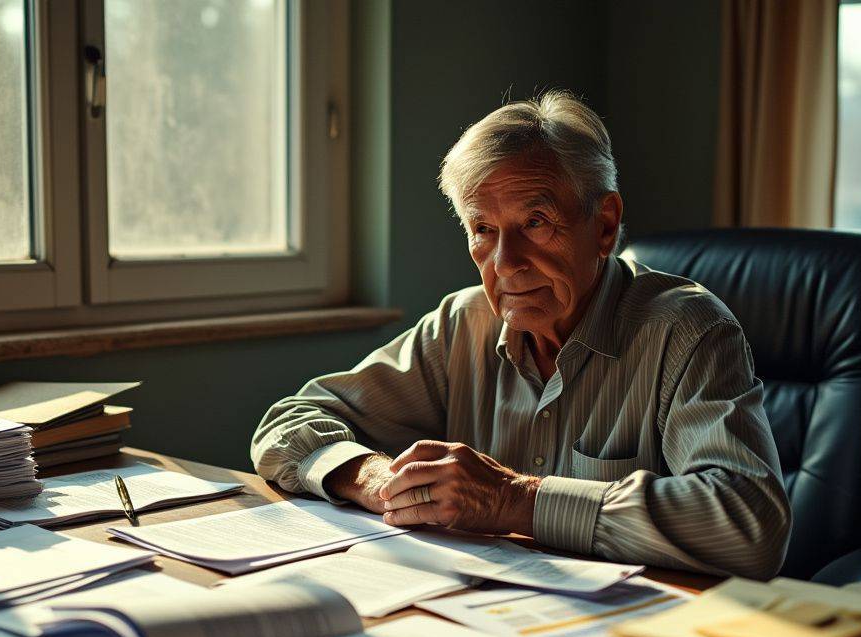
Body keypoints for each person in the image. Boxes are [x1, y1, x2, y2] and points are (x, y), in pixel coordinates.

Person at [251, 91, 790, 579]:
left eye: (536, 223)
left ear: (604, 225)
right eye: (483, 229)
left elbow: (749, 523)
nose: (505, 263)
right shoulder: (463, 324)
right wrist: (371, 478)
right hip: (483, 616)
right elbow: (288, 424)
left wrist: (516, 500)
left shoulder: (686, 329)